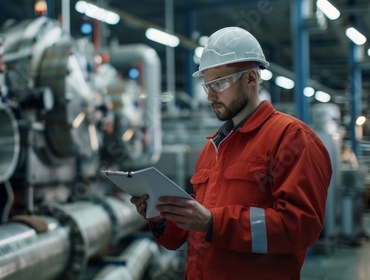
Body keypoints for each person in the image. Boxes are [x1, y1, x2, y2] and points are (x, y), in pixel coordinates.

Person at [130, 26, 332, 280]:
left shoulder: (292, 139)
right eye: (207, 86)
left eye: (220, 83)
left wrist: (214, 222)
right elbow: (191, 233)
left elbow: (300, 227)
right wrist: (162, 216)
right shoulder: (212, 147)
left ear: (251, 79)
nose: (211, 96)